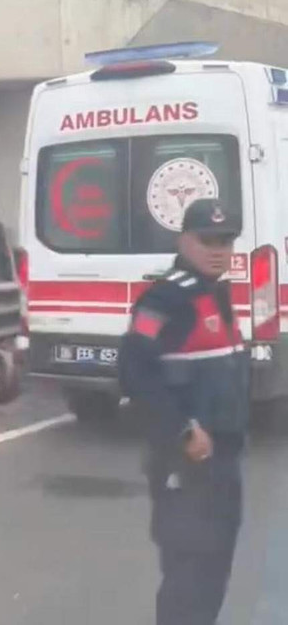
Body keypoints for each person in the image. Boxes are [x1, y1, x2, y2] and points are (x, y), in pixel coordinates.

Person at [119, 198, 249, 625]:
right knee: (187, 577)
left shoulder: (217, 293)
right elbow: (134, 372)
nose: (218, 250)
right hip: (185, 465)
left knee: (213, 574)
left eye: (226, 240)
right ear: (183, 240)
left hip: (223, 462)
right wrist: (181, 432)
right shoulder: (167, 299)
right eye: (207, 240)